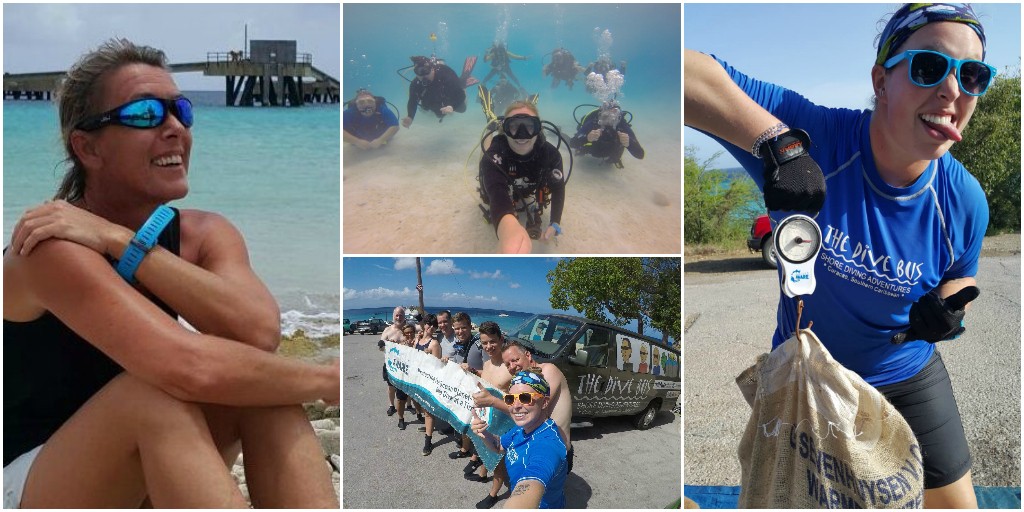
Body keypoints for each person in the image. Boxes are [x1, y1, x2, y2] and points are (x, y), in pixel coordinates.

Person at [2, 38, 338, 508]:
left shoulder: (205, 234)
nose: (175, 128)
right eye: (144, 115)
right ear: (87, 148)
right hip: (34, 482)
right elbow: (187, 367)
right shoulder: (50, 245)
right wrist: (325, 381)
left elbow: (258, 332)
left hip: (150, 463)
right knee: (152, 398)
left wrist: (122, 242)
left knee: (265, 395)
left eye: (181, 110)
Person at [683, 3, 991, 507]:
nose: (953, 90)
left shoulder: (964, 201)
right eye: (929, 66)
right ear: (881, 80)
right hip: (807, 374)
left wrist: (950, 313)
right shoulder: (816, 134)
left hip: (906, 372)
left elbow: (961, 279)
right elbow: (687, 72)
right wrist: (779, 145)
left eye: (972, 75)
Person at [471, 371, 568, 509]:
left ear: (545, 402)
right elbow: (499, 446)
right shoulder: (522, 428)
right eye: (510, 399)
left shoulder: (547, 445)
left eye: (525, 398)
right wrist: (484, 433)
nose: (515, 406)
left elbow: (533, 482)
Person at [479, 102, 567, 253]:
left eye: (529, 126)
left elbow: (558, 188)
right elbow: (496, 191)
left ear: (538, 129)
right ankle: (490, 127)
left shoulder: (551, 155)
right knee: (484, 164)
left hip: (527, 187)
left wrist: (554, 223)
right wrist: (509, 230)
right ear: (504, 129)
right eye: (514, 126)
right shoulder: (495, 156)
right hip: (500, 171)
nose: (521, 134)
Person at [501, 340, 574, 473]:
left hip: (555, 451)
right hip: (534, 446)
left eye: (515, 360)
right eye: (507, 364)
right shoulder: (525, 379)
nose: (512, 366)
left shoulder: (548, 370)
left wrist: (492, 401)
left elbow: (536, 407)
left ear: (528, 355)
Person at [465, 321, 513, 508]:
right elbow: (487, 379)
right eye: (484, 343)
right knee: (484, 447)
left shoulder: (510, 366)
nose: (488, 347)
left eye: (492, 341)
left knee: (498, 459)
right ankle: (483, 473)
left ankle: (493, 494)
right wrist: (472, 370)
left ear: (501, 339)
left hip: (504, 420)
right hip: (488, 417)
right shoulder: (486, 362)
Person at [570, 100, 644, 168]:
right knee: (580, 150)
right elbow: (572, 143)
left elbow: (640, 155)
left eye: (614, 115)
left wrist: (629, 143)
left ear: (618, 115)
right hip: (591, 150)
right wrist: (587, 138)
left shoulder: (622, 126)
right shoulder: (593, 123)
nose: (610, 120)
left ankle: (614, 159)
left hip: (611, 154)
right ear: (601, 113)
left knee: (614, 157)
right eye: (606, 115)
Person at [402, 56, 467, 128]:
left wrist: (452, 106)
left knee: (462, 109)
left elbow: (461, 95)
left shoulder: (445, 73)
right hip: (435, 99)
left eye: (426, 71)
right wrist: (410, 117)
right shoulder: (415, 84)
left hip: (449, 95)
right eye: (419, 72)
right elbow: (412, 100)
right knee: (439, 115)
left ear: (432, 69)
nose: (423, 75)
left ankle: (463, 84)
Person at [413, 313, 442, 456]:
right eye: (428, 324)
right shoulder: (418, 339)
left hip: (428, 381)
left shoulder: (434, 343)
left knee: (428, 411)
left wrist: (428, 356)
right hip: (418, 379)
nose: (430, 327)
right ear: (424, 324)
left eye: (434, 325)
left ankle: (428, 442)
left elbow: (437, 367)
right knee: (422, 407)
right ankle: (427, 427)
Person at [379, 307, 413, 427]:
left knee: (406, 388)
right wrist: (386, 345)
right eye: (397, 315)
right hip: (390, 365)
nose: (399, 317)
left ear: (405, 316)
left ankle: (409, 405)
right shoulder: (388, 330)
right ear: (393, 316)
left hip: (404, 365)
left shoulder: (407, 329)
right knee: (391, 387)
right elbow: (380, 347)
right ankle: (391, 406)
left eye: (401, 315)